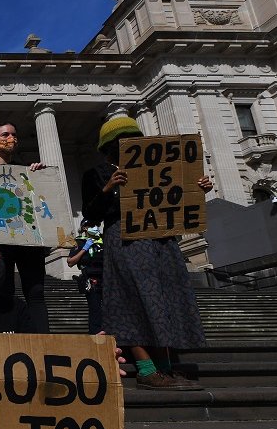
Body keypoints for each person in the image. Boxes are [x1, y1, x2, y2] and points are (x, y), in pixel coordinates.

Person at [82, 116, 213, 390]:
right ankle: (146, 369)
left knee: (163, 298)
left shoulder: (159, 165)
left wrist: (197, 189)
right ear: (109, 146)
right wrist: (108, 189)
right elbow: (91, 216)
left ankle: (166, 367)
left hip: (161, 239)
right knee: (132, 299)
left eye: (133, 137)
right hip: (124, 240)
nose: (128, 143)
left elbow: (177, 198)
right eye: (122, 140)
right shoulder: (97, 174)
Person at [0, 236, 126, 405]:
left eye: (0, 257)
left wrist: (93, 353)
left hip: (13, 383)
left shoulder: (16, 308)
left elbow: (39, 351)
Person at [0, 122, 50, 333]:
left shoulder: (28, 170)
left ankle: (43, 341)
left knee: (36, 291)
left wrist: (39, 175)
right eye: (5, 134)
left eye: (14, 134)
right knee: (4, 290)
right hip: (0, 239)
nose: (11, 138)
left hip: (28, 238)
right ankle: (8, 337)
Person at [66, 219, 105, 334]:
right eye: (92, 225)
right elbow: (70, 262)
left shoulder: (104, 240)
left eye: (97, 225)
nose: (96, 228)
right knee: (95, 309)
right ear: (84, 228)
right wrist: (85, 248)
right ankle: (96, 334)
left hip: (107, 278)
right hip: (92, 280)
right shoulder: (80, 242)